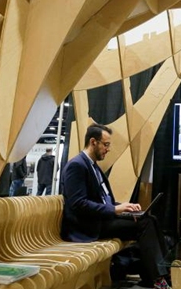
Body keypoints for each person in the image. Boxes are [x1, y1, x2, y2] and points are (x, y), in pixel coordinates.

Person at [61, 123, 170, 289]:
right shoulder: (77, 166)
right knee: (144, 224)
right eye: (106, 144)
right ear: (93, 142)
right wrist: (115, 210)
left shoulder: (93, 167)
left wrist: (124, 207)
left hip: (101, 220)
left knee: (149, 218)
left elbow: (105, 201)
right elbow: (78, 204)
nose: (108, 149)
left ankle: (161, 275)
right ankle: (157, 279)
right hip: (87, 227)